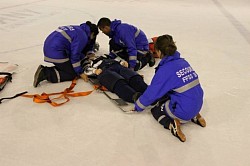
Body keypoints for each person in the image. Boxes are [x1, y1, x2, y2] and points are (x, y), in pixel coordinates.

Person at [134, 35, 206, 142]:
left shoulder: (165, 70)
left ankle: (171, 125)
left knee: (156, 109)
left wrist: (138, 106)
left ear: (159, 51)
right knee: (173, 93)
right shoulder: (183, 62)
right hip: (197, 104)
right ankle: (194, 115)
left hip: (183, 111)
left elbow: (153, 93)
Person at [33, 21, 99, 87]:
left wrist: (88, 52)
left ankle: (54, 69)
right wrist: (80, 72)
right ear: (92, 33)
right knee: (73, 73)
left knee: (74, 64)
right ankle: (46, 73)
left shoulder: (79, 29)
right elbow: (75, 55)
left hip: (49, 47)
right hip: (56, 52)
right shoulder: (83, 36)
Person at [81, 54, 147, 103]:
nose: (91, 55)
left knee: (130, 75)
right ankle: (134, 96)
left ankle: (146, 90)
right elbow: (86, 70)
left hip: (115, 65)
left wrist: (122, 62)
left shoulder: (104, 56)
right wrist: (94, 71)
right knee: (116, 80)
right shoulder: (87, 61)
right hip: (102, 70)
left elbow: (116, 58)